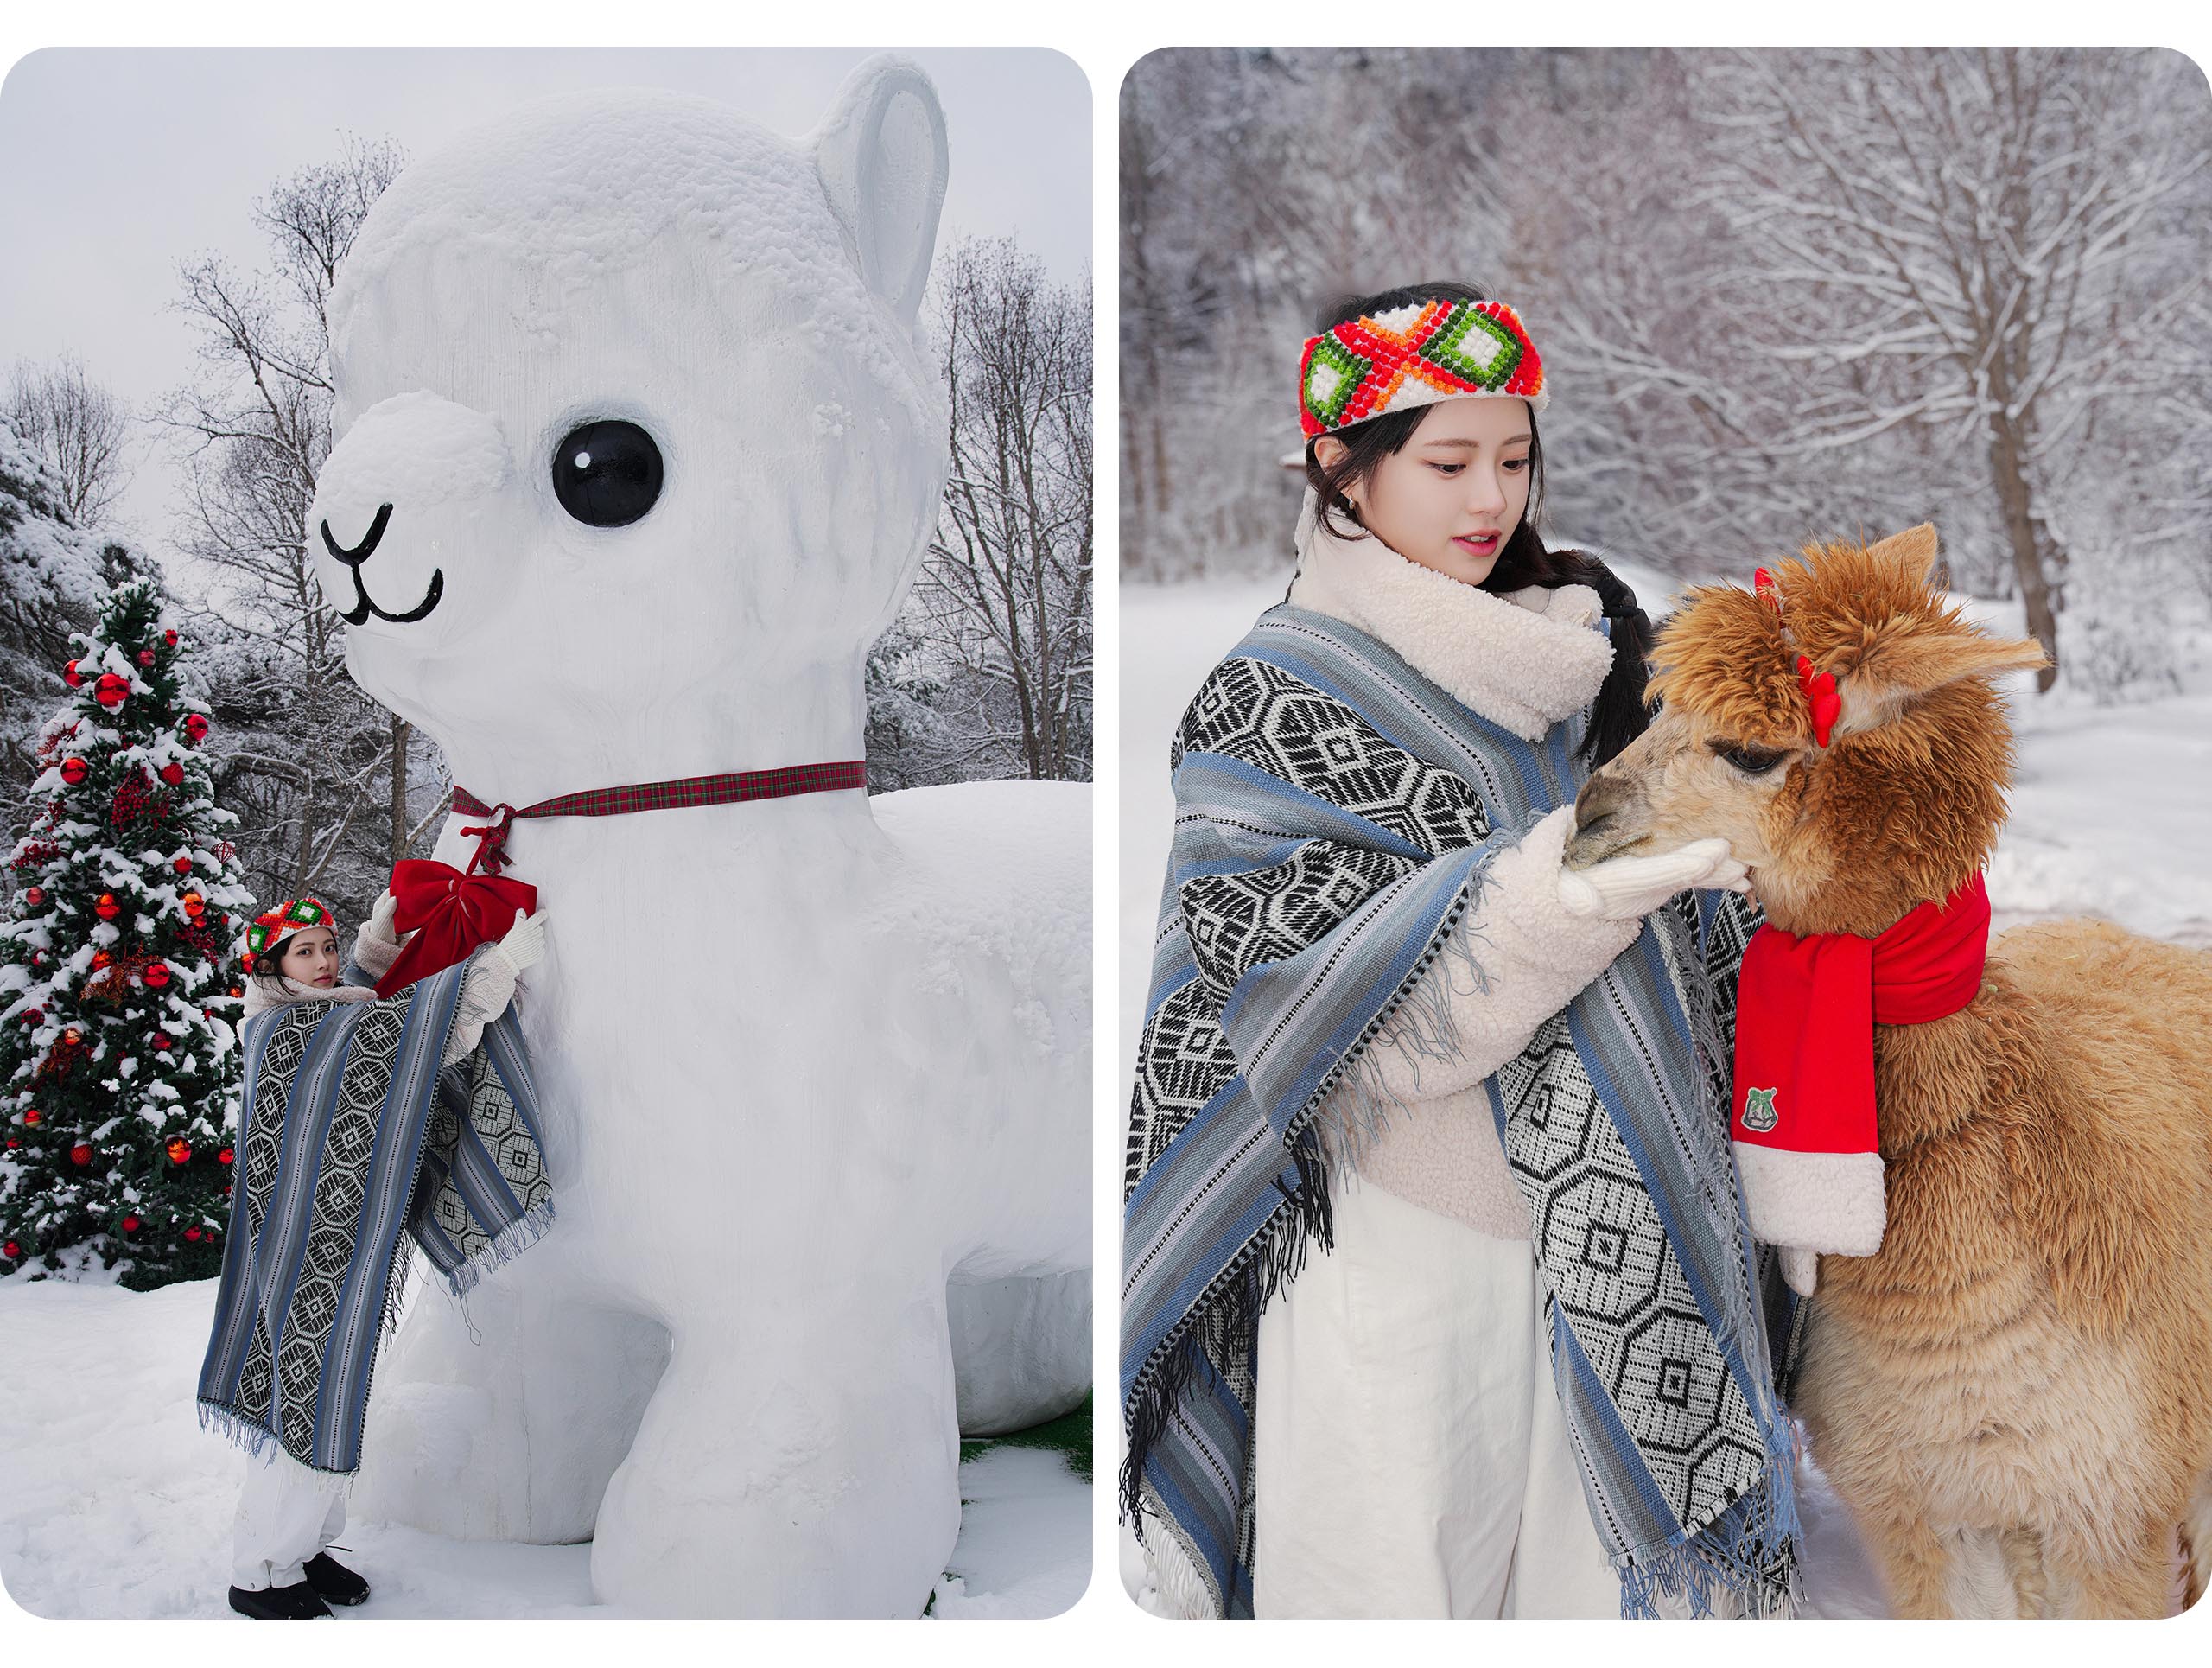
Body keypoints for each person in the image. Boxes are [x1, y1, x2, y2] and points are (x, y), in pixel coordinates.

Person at [1122, 283, 1800, 1620]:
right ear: (1338, 465)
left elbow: (1716, 941)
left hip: (1618, 1251)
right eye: (1446, 461)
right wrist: (1569, 886)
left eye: (1514, 455)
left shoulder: (1590, 659)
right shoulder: (1275, 698)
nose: (1489, 495)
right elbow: (1315, 1015)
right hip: (1395, 1254)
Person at [221, 892, 545, 1620]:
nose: (325, 960)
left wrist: (376, 946)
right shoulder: (283, 1028)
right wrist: (492, 972)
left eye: (328, 945)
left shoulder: (318, 1008)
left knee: (333, 1392)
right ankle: (258, 1569)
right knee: (300, 1401)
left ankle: (305, 1549)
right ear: (273, 965)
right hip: (304, 1249)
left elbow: (366, 1013)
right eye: (305, 952)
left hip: (337, 1241)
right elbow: (409, 1044)